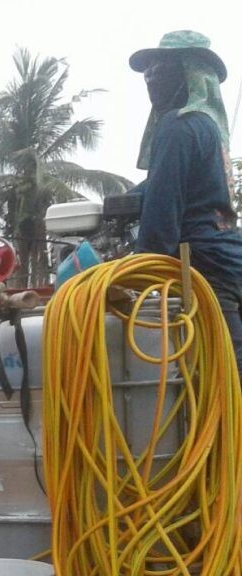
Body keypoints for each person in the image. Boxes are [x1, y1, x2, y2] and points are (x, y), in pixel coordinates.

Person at [129, 30, 242, 374]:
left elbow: (161, 219)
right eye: (147, 70)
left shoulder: (177, 127)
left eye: (160, 67)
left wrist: (136, 273)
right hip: (231, 261)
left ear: (189, 73)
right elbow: (169, 186)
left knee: (221, 377)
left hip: (205, 269)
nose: (150, 77)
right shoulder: (207, 128)